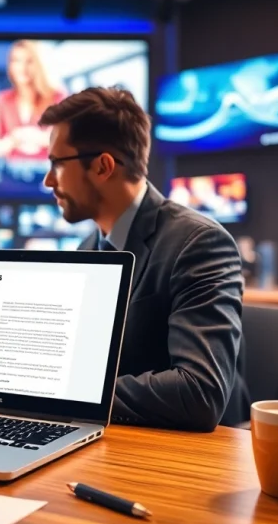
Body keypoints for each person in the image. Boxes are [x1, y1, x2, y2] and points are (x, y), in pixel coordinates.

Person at [39, 86, 247, 431]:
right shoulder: (88, 249)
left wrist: (73, 394)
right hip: (111, 436)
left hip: (185, 451)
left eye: (57, 164)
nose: (49, 181)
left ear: (103, 166)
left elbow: (200, 392)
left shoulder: (199, 243)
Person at [0, 40, 65, 162]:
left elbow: (68, 141)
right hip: (13, 171)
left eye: (29, 61)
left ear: (39, 64)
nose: (22, 68)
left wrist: (37, 137)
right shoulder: (2, 99)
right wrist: (14, 139)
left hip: (49, 170)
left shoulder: (57, 97)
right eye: (16, 61)